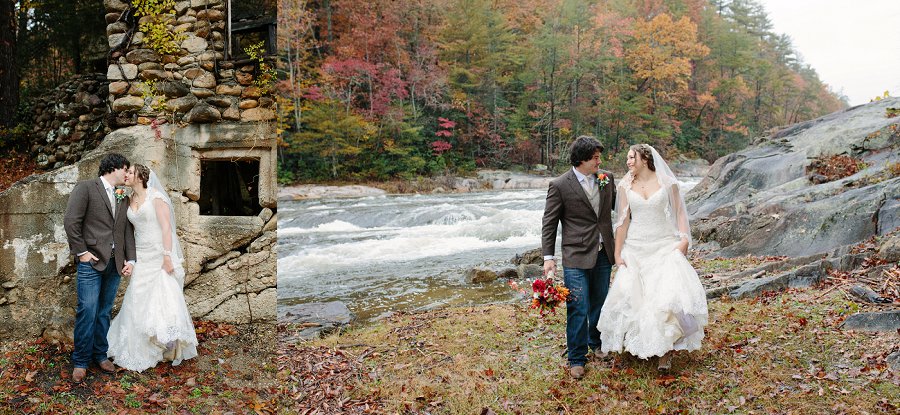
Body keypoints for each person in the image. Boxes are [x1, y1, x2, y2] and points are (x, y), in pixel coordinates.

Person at [597, 144, 708, 370]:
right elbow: (622, 222)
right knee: (635, 298)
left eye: (631, 157)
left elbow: (679, 213)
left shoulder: (668, 183)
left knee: (664, 298)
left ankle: (665, 353)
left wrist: (684, 239)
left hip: (664, 245)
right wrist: (618, 253)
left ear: (645, 158)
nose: (627, 162)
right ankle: (640, 344)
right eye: (627, 158)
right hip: (636, 247)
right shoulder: (625, 185)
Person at [106, 164, 198, 372]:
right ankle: (142, 343)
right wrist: (129, 259)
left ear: (140, 176)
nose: (126, 175)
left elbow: (167, 228)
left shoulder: (156, 197)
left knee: (164, 297)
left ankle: (168, 345)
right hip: (140, 254)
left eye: (130, 172)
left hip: (158, 254)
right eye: (126, 172)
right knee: (138, 297)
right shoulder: (128, 199)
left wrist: (167, 256)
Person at [541, 135, 616, 379]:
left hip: (604, 251)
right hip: (574, 255)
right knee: (577, 305)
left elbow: (620, 208)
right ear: (582, 159)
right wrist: (548, 257)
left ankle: (596, 343)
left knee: (600, 302)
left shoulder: (607, 179)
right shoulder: (560, 185)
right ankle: (576, 357)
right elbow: (549, 223)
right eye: (595, 157)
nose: (599, 161)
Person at [64, 153, 136, 383]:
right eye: (125, 169)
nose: (127, 174)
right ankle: (81, 361)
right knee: (87, 310)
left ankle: (100, 355)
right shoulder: (86, 188)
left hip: (115, 263)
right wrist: (82, 253)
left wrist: (130, 260)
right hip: (91, 263)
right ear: (113, 168)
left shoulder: (123, 195)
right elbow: (71, 221)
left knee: (104, 311)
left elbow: (126, 231)